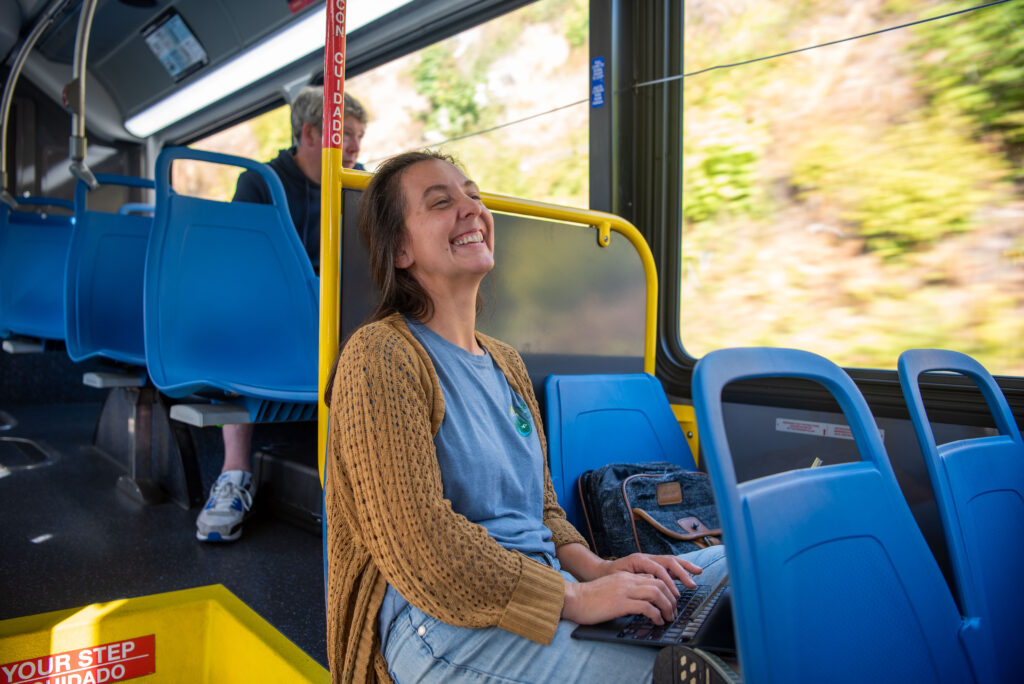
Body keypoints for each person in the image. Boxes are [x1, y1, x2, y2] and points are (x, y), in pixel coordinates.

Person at [323, 150, 728, 683]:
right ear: (400, 248)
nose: (471, 209)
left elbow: (542, 510)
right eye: (441, 202)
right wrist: (575, 597)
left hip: (543, 589)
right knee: (674, 669)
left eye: (472, 194)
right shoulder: (380, 356)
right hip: (438, 623)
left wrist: (601, 569)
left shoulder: (505, 362)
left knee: (745, 571)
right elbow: (422, 547)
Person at [195, 86, 368, 543]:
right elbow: (241, 262)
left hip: (334, 314)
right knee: (240, 322)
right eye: (346, 135)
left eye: (359, 137)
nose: (355, 148)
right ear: (310, 133)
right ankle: (234, 474)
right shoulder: (260, 184)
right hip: (271, 316)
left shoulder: (360, 185)